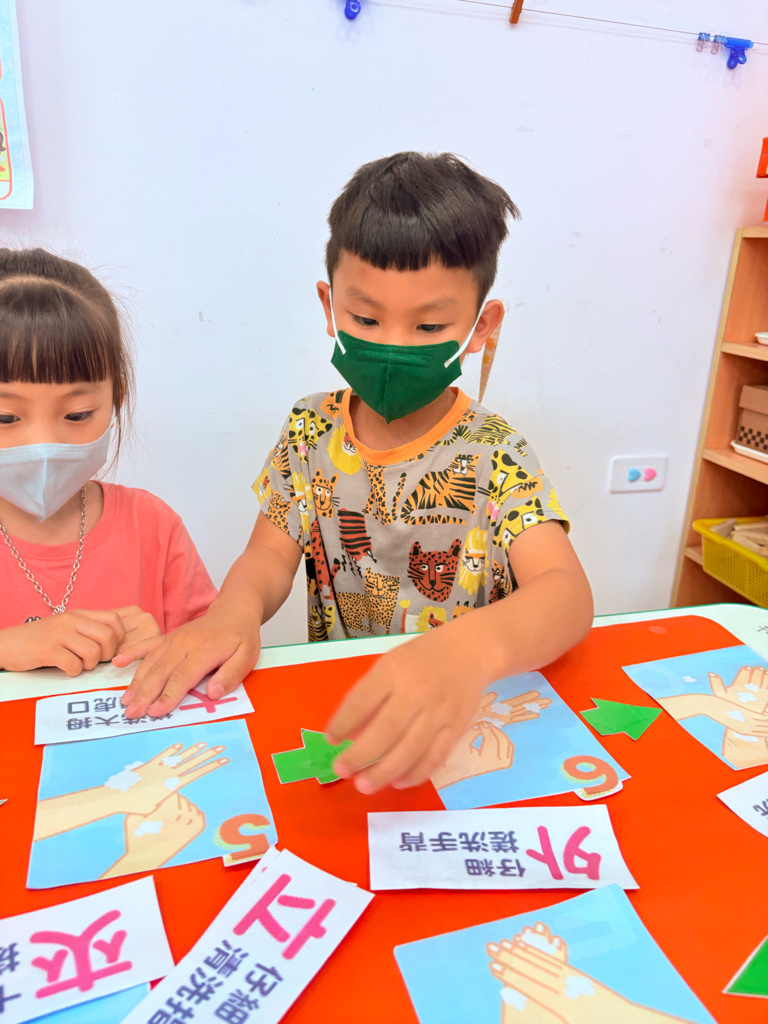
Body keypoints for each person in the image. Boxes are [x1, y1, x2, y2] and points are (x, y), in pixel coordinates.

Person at [120, 152, 593, 793]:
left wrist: (471, 649)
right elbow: (269, 555)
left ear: (481, 325)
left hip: (466, 715)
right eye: (366, 319)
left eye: (429, 325)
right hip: (351, 708)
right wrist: (234, 611)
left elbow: (566, 592)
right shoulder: (309, 429)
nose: (392, 345)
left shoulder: (494, 451)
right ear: (329, 304)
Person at [0, 248, 217, 676]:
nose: (44, 444)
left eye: (77, 414)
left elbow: (210, 647)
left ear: (117, 397)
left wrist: (166, 646)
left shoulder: (152, 526)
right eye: (5, 417)